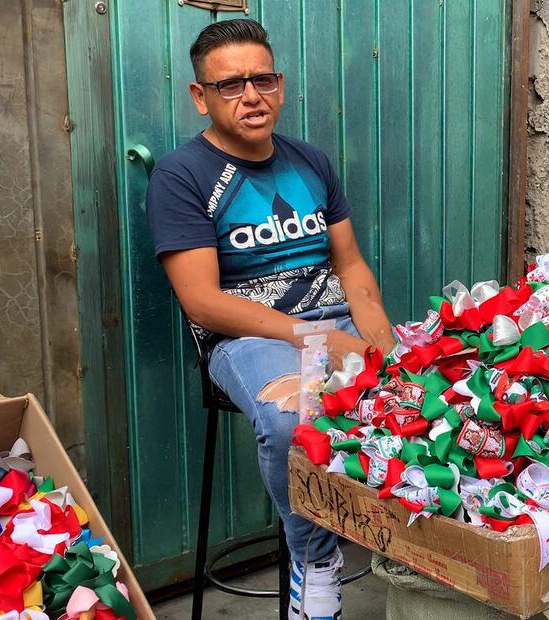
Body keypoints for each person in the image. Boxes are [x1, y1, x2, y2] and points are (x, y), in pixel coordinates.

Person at [146, 19, 395, 619]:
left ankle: (411, 546)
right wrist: (316, 338)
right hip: (247, 337)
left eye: (263, 79)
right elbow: (201, 301)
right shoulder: (181, 176)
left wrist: (384, 343)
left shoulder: (311, 161)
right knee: (292, 418)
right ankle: (316, 563)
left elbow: (350, 264)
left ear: (280, 85)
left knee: (426, 390)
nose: (252, 96)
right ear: (200, 96)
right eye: (231, 85)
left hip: (334, 320)